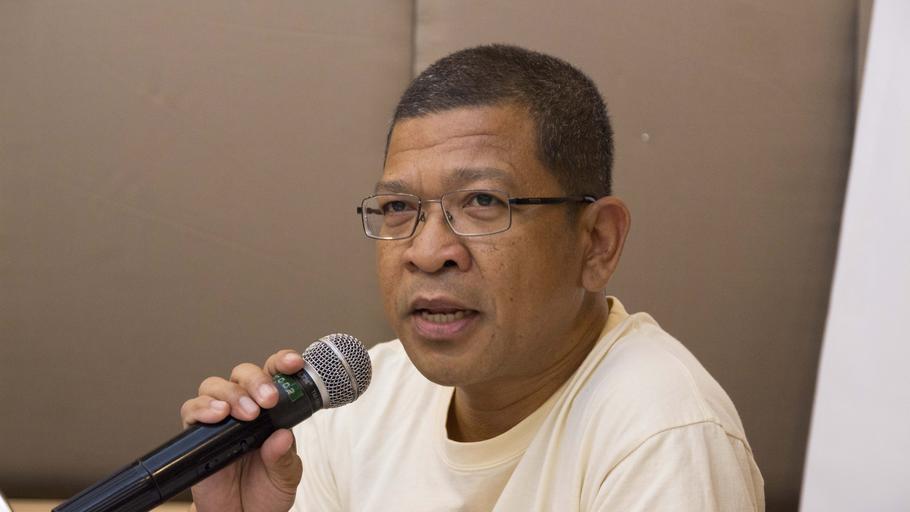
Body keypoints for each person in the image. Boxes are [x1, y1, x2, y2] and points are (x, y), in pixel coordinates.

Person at [180, 44, 764, 511]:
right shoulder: (358, 406)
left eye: (483, 201)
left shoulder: (663, 435)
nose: (428, 252)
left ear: (596, 242)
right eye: (399, 208)